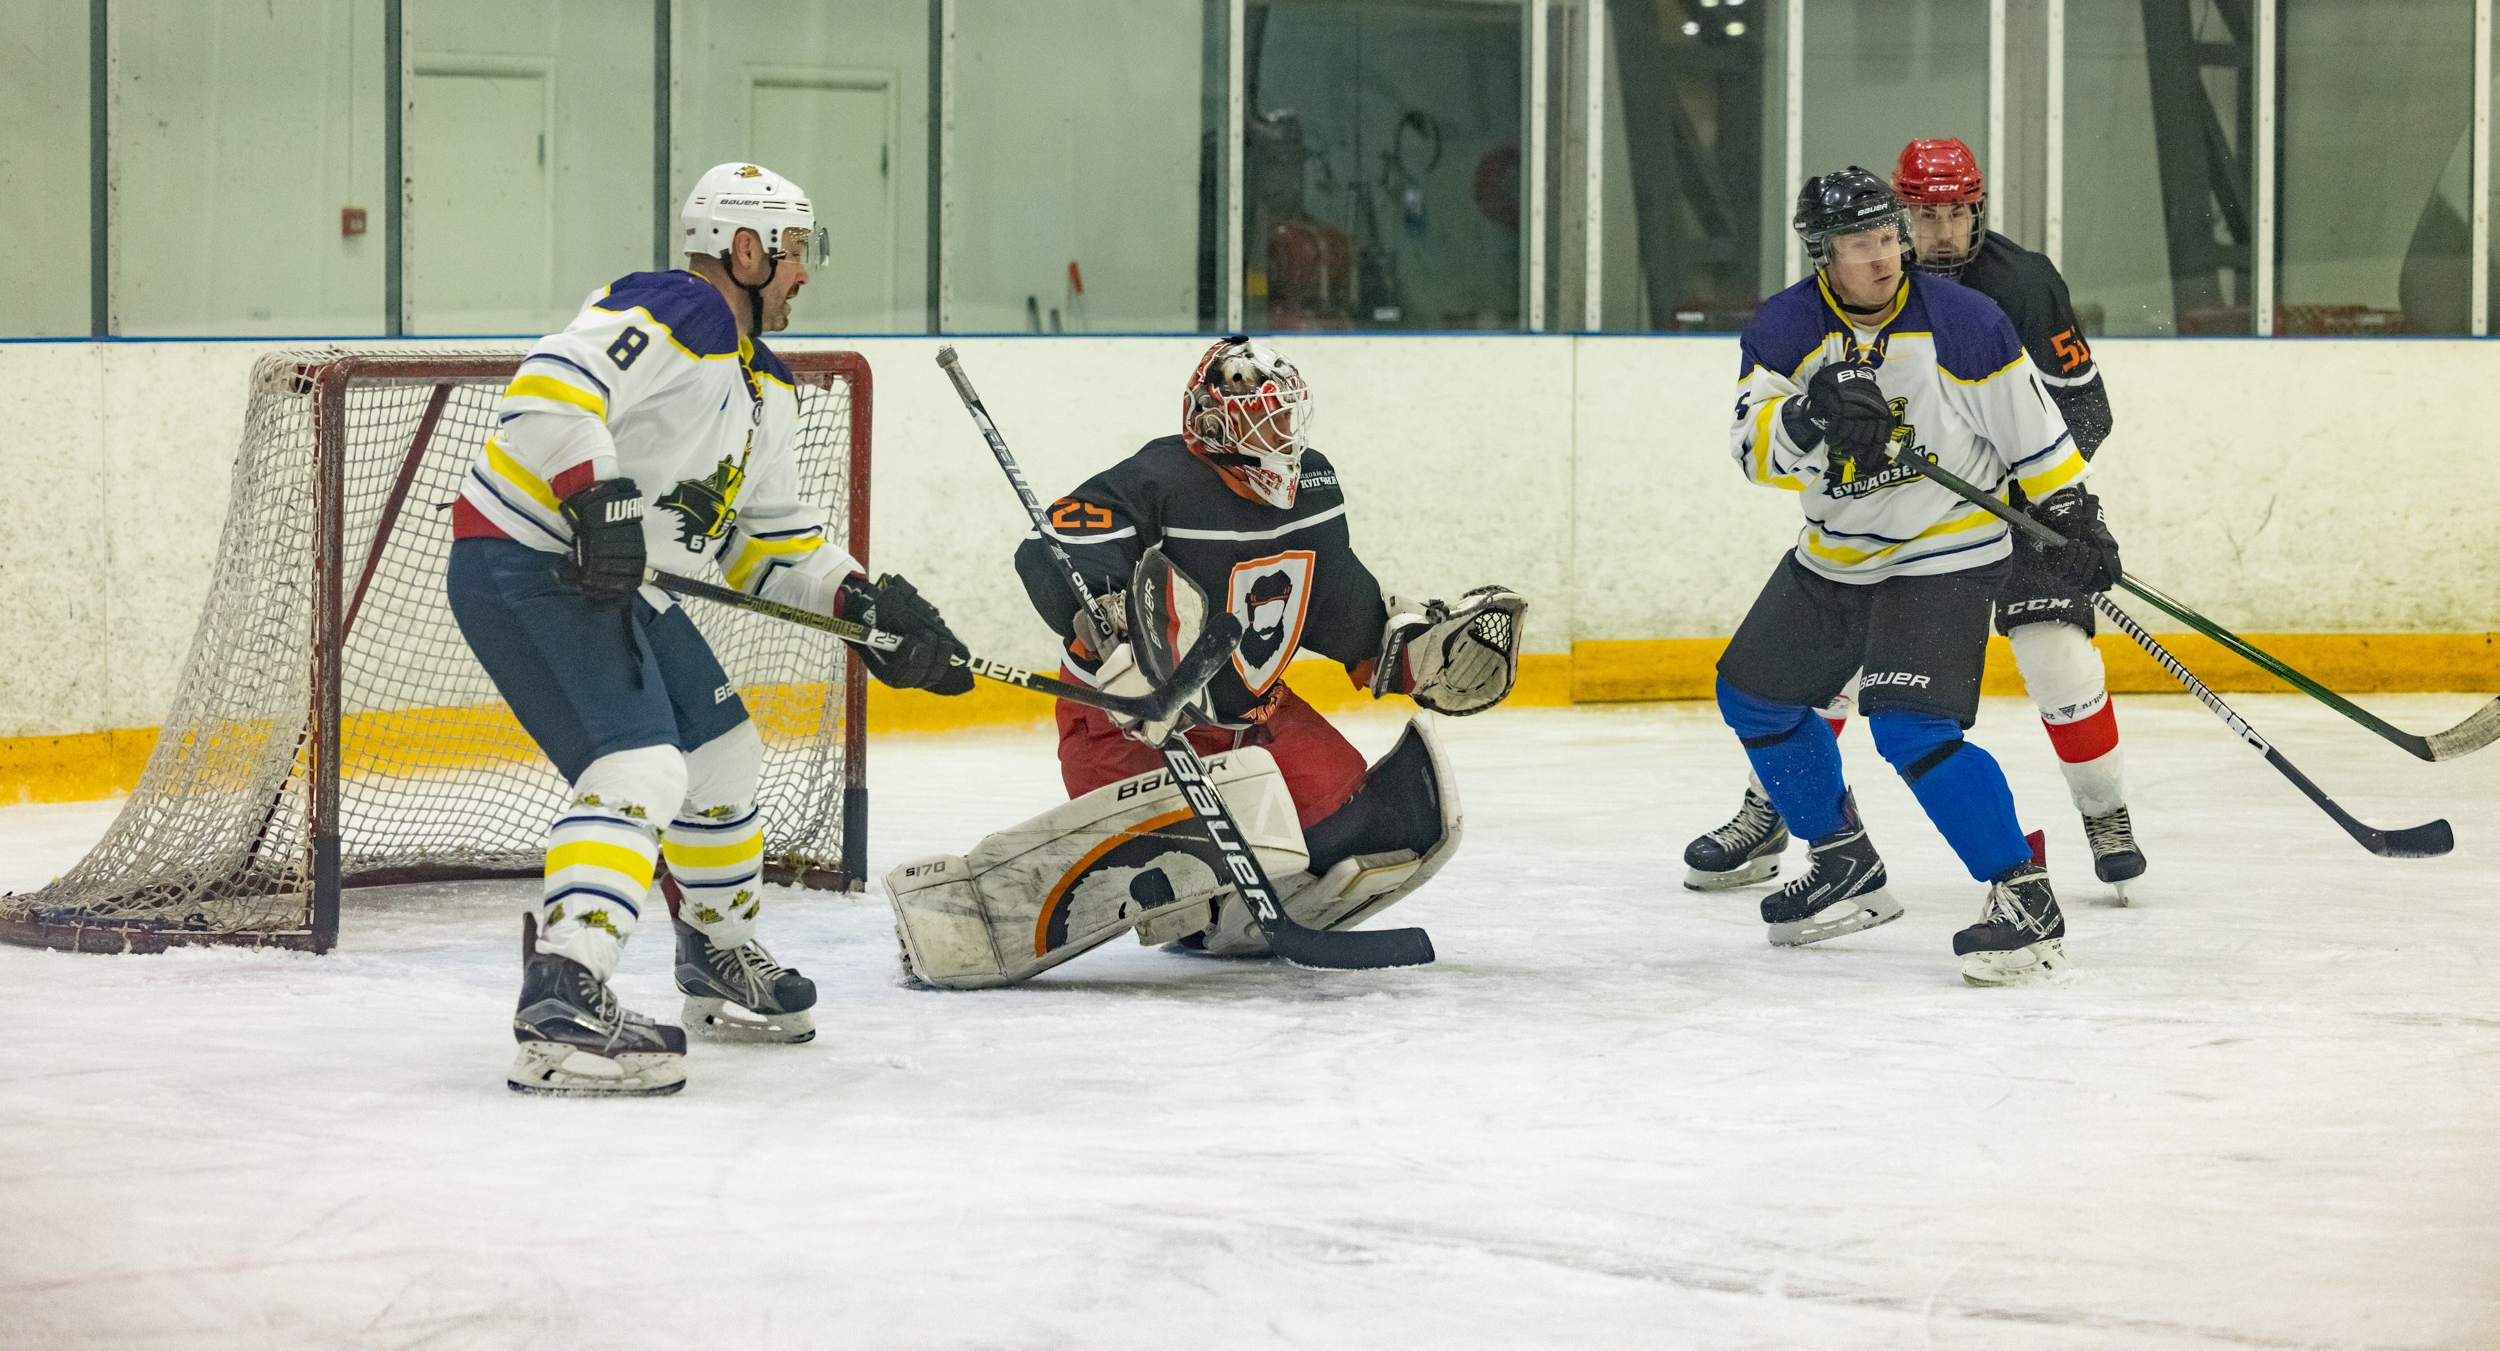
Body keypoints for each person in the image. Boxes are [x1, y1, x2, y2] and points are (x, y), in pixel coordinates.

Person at [449, 161, 972, 1095]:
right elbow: (550, 385)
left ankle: (714, 953)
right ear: (747, 248)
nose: (806, 272)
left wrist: (867, 608)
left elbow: (760, 546)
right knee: (640, 764)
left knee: (724, 752)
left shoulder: (766, 389)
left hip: (619, 577)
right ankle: (562, 997)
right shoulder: (677, 309)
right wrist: (596, 495)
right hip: (526, 557)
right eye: (797, 250)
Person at [883, 336, 1525, 990]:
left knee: (1366, 824)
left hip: (1253, 722)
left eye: (1285, 415)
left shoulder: (1313, 489)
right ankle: (1008, 913)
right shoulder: (1159, 480)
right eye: (1259, 417)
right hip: (1125, 720)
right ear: (1212, 418)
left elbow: (1336, 599)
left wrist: (1408, 648)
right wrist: (1109, 629)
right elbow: (1048, 553)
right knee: (1201, 844)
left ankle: (1232, 909)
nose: (1278, 434)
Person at [1684, 139, 2144, 898]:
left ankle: (2105, 814)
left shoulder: (2014, 288)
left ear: (1976, 211)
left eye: (1950, 214)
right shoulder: (1811, 313)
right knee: (1817, 671)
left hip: (2012, 507)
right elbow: (1761, 444)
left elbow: (2079, 407)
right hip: (1889, 523)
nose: (1931, 235)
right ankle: (1778, 810)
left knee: (2054, 652)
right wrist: (1816, 423)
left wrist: (2050, 505)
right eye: (1921, 215)